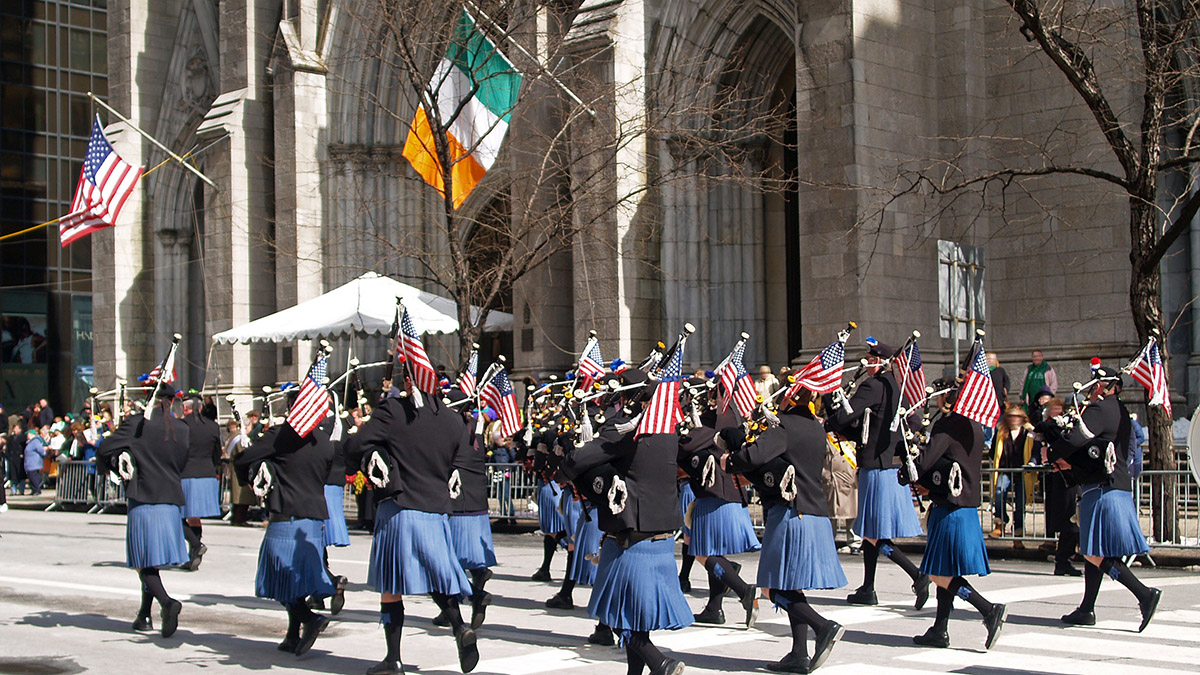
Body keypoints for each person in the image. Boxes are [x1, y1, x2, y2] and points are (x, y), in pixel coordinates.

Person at [346, 365, 479, 675]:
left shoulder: (394, 410)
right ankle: (460, 628)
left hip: (401, 507)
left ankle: (393, 659)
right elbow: (459, 458)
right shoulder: (451, 419)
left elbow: (354, 446)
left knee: (391, 585)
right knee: (436, 578)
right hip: (436, 511)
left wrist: (370, 452)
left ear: (409, 379)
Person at [559, 367, 692, 675]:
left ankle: (660, 663)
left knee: (618, 616)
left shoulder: (626, 430)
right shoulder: (666, 431)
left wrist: (567, 458)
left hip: (630, 538)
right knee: (635, 618)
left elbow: (578, 461)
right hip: (660, 535)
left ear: (627, 397)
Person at [726, 387, 847, 673]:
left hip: (793, 512)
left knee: (772, 586)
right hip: (815, 510)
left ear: (790, 399)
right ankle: (798, 652)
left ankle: (823, 626)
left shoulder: (784, 426)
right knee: (791, 586)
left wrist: (730, 461)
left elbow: (754, 456)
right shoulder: (815, 428)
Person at [1040, 366, 1161, 631]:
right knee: (1097, 550)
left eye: (1096, 384)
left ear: (1103, 386)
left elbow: (1077, 440)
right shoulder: (1120, 412)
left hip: (1102, 489)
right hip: (1115, 485)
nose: (1092, 388)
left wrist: (1053, 450)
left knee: (1093, 553)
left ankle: (1144, 594)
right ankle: (1086, 609)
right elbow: (1096, 449)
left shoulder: (1099, 410)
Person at [824, 339, 928, 609]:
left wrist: (829, 406)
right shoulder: (895, 386)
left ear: (878, 361)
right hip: (889, 465)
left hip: (877, 467)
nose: (867, 363)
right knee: (872, 530)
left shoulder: (874, 385)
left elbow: (847, 417)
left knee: (875, 534)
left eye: (870, 359)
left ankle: (918, 575)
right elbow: (891, 423)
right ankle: (868, 588)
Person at [909, 381, 1007, 650]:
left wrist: (910, 467)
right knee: (945, 573)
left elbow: (927, 461)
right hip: (964, 505)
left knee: (940, 575)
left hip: (950, 508)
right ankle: (939, 629)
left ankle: (988, 609)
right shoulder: (973, 424)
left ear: (946, 399)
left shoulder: (948, 424)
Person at [234, 403, 336, 658]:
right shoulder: (324, 441)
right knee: (297, 580)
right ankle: (292, 634)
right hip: (313, 516)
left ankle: (308, 618)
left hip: (286, 512)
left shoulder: (281, 435)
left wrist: (255, 470)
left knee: (277, 577)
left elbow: (244, 459)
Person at [96, 389, 190, 637]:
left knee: (142, 561)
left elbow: (104, 448)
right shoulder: (182, 429)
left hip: (144, 497)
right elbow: (181, 462)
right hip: (170, 498)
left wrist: (115, 463)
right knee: (151, 562)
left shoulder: (137, 424)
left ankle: (167, 602)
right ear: (171, 402)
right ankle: (144, 615)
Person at [676, 381, 760, 628]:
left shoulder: (713, 421)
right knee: (714, 553)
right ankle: (714, 607)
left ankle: (744, 590)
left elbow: (686, 446)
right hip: (731, 493)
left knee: (704, 553)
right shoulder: (737, 419)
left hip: (714, 495)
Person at [435, 389, 496, 631]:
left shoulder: (450, 428)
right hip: (477, 500)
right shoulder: (476, 429)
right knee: (467, 556)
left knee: (450, 559)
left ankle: (472, 595)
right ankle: (478, 580)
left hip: (456, 500)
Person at [1037, 397, 1082, 575]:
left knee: (1072, 522)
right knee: (1070, 521)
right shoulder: (1056, 429)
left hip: (1072, 476)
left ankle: (1066, 559)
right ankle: (1063, 560)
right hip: (1066, 477)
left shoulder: (1068, 427)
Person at [180, 397, 222, 570]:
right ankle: (193, 558)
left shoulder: (181, 426)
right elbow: (217, 453)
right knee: (194, 516)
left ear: (185, 408)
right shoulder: (213, 426)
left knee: (177, 515)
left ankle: (196, 544)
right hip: (207, 473)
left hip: (186, 473)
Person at [989, 405, 1034, 545]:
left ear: (1022, 418)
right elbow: (993, 451)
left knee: (1020, 501)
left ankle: (1018, 531)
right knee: (999, 491)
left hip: (1022, 470)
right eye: (1011, 416)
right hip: (1005, 469)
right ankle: (1000, 522)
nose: (1014, 419)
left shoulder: (1029, 432)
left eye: (1017, 416)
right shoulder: (1001, 431)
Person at [23, 428, 46, 495]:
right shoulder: (29, 442)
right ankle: (34, 489)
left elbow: (41, 450)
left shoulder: (35, 441)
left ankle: (37, 490)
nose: (27, 436)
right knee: (31, 477)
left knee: (33, 477)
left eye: (28, 434)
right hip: (29, 463)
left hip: (34, 463)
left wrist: (44, 453)